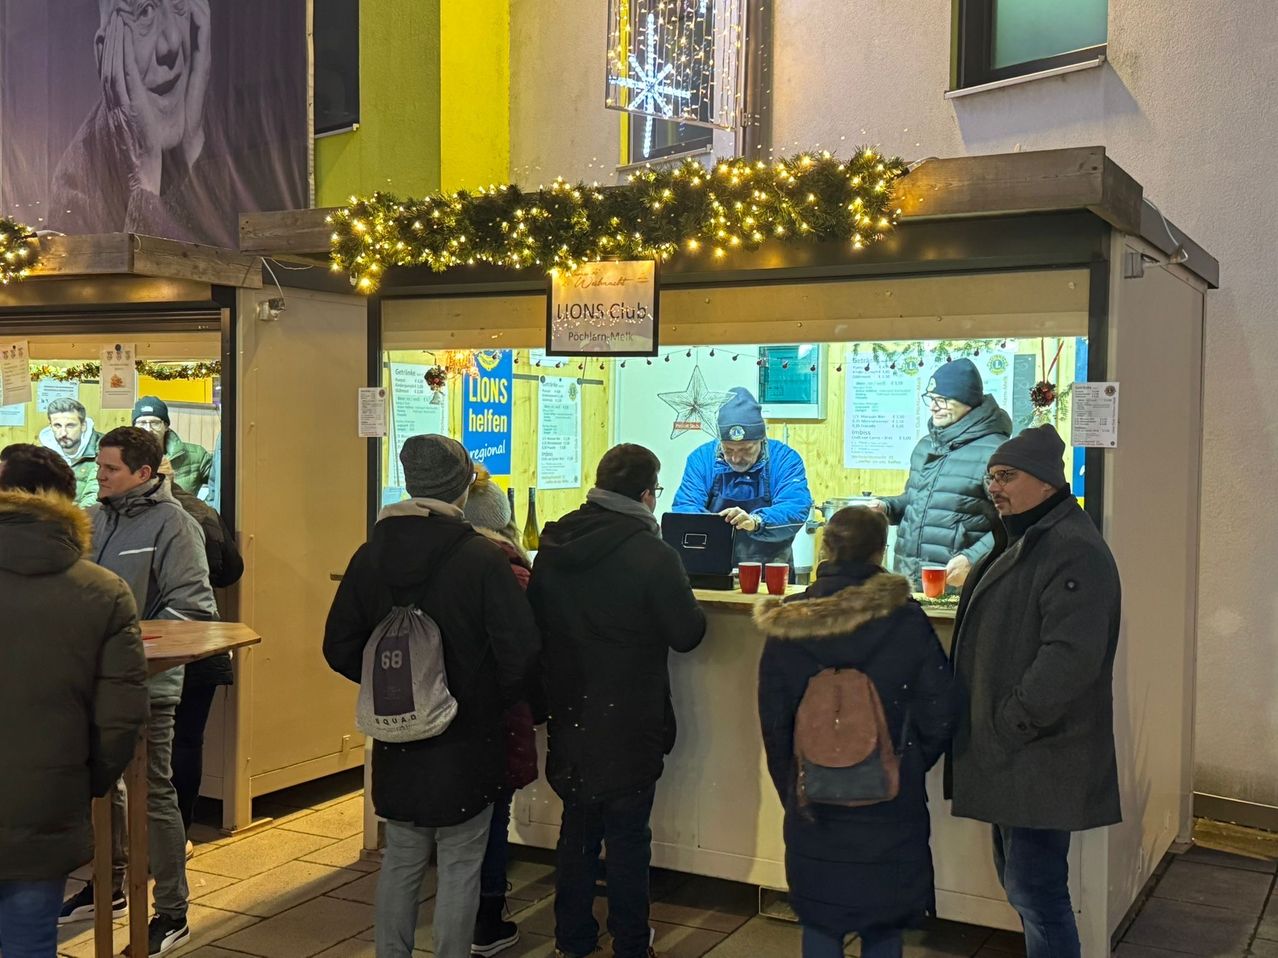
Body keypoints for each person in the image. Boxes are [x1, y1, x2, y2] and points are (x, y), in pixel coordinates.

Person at [324, 435, 540, 958]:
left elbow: (338, 647)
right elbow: (522, 653)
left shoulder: (369, 555)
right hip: (468, 737)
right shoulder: (481, 560)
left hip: (397, 738)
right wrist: (475, 700)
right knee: (463, 860)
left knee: (400, 856)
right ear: (463, 489)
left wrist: (396, 691)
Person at [948, 425, 1122, 958]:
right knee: (1024, 885)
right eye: (991, 476)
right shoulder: (1025, 536)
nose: (994, 487)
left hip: (1040, 751)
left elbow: (1070, 657)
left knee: (1037, 890)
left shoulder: (1070, 548)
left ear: (1047, 482)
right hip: (1018, 751)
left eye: (1007, 476)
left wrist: (1012, 720)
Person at [530, 444, 706, 958]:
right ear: (648, 494)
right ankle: (631, 943)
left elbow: (533, 620)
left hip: (571, 708)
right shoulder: (652, 553)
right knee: (628, 837)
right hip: (631, 714)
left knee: (577, 831)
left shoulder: (556, 541)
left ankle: (572, 940)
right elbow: (687, 633)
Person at [756, 507, 956, 958]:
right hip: (891, 795)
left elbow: (774, 721)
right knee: (883, 922)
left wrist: (793, 782)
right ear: (880, 552)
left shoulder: (789, 621)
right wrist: (907, 759)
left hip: (813, 799)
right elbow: (941, 705)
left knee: (821, 919)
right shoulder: (904, 619)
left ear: (825, 548)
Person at [60, 426, 218, 957]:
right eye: (99, 468)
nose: (97, 477)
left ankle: (172, 911)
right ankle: (110, 883)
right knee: (101, 788)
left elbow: (194, 608)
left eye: (110, 470)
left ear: (144, 474)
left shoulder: (175, 524)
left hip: (149, 683)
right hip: (93, 681)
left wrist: (124, 642)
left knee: (153, 794)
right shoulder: (96, 517)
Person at [0, 445, 148, 958]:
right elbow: (121, 717)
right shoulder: (103, 592)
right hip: (47, 800)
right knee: (28, 940)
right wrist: (85, 783)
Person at [461, 468, 539, 957]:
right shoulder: (513, 571)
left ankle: (461, 912)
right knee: (492, 817)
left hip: (444, 712)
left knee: (463, 817)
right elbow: (527, 649)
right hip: (498, 713)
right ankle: (486, 917)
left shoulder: (443, 559)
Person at [159, 456, 244, 846]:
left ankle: (150, 838)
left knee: (156, 743)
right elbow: (230, 570)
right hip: (199, 642)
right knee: (187, 740)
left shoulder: (113, 521)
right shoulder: (200, 511)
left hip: (160, 645)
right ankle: (179, 833)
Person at [872, 359, 1011, 590]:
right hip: (908, 582)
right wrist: (886, 508)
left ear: (968, 402)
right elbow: (915, 500)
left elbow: (1013, 522)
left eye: (942, 400)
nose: (933, 407)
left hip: (958, 584)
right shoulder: (925, 446)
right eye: (931, 399)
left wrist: (972, 559)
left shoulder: (995, 453)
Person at [670, 387, 813, 567]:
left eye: (746, 450)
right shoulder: (701, 459)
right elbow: (686, 507)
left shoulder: (785, 460)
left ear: (762, 439)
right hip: (711, 563)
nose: (736, 459)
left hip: (771, 567)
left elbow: (795, 508)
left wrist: (756, 521)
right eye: (728, 450)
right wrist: (715, 526)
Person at [132, 397, 213, 500]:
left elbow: (221, 484)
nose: (148, 429)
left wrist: (209, 508)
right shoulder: (123, 458)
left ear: (166, 426)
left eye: (155, 423)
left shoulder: (195, 456)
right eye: (142, 423)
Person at [39, 397, 103, 507]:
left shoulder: (103, 449)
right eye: (57, 426)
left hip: (87, 519)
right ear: (50, 426)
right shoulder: (42, 455)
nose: (63, 433)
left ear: (83, 426)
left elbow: (95, 495)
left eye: (70, 425)